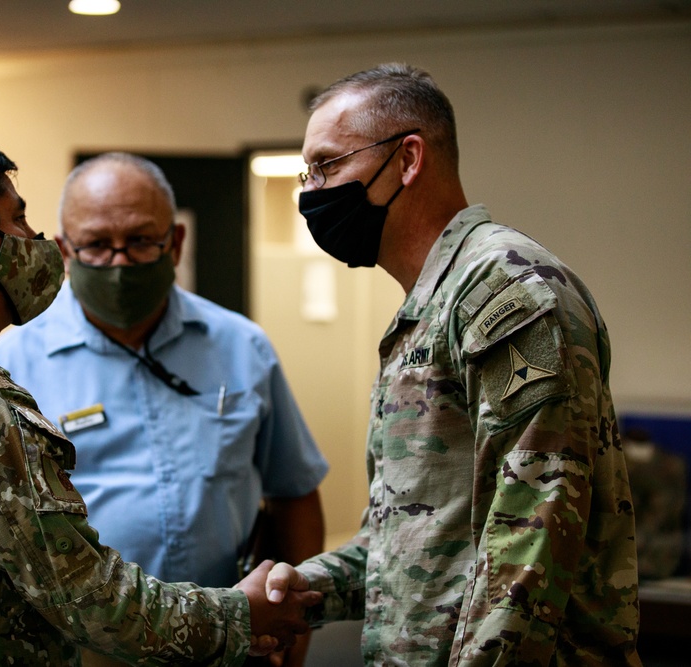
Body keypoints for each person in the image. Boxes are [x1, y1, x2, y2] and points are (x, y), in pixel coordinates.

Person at [0, 138, 320, 666]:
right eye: (18, 219)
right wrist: (240, 617)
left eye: (141, 239)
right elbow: (90, 599)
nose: (34, 240)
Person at [263, 63, 641, 665]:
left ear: (408, 159)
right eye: (307, 173)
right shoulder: (432, 305)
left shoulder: (505, 293)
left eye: (329, 165)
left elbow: (532, 535)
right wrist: (301, 588)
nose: (312, 191)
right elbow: (408, 536)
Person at [0, 152, 329, 666]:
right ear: (64, 251)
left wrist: (292, 641)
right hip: (78, 647)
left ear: (176, 243)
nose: (120, 262)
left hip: (227, 636)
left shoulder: (241, 347)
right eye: (98, 245)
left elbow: (294, 493)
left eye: (142, 240)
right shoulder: (8, 367)